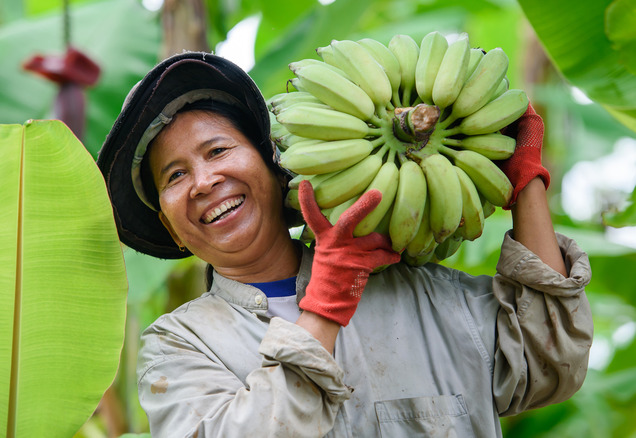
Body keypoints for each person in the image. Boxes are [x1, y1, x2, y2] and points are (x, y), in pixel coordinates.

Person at [96, 51, 593, 437]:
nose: (204, 181)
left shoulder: (426, 296)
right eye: (176, 175)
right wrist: (326, 303)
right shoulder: (179, 347)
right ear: (171, 226)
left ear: (272, 165)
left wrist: (526, 182)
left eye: (219, 150)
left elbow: (551, 361)